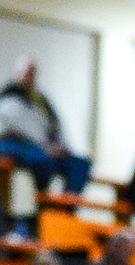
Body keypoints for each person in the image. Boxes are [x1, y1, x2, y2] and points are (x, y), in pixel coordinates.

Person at [0, 56, 90, 195]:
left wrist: (63, 146)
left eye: (33, 73)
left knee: (80, 164)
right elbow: (24, 129)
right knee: (42, 160)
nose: (31, 76)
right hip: (18, 144)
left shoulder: (41, 100)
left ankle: (63, 208)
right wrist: (46, 147)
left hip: (48, 147)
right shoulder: (9, 98)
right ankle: (39, 205)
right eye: (27, 72)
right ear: (18, 74)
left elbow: (55, 125)